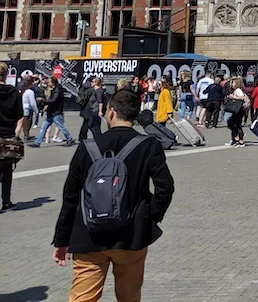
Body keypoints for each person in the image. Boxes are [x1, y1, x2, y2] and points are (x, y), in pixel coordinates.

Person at [51, 89, 175, 300]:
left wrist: (62, 239)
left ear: (111, 112)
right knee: (129, 297)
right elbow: (165, 187)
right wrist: (148, 216)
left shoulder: (88, 146)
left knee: (82, 298)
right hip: (131, 236)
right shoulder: (148, 145)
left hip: (89, 235)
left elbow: (70, 196)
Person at [0, 62, 24, 212]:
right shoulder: (14, 92)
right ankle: (6, 202)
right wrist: (15, 134)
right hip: (8, 135)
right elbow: (21, 117)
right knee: (7, 171)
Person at [29, 71, 74, 148]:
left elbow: (53, 100)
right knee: (44, 127)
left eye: (49, 82)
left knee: (61, 127)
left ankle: (69, 138)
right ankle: (37, 143)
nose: (47, 83)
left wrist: (42, 99)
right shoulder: (54, 89)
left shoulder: (57, 90)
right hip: (51, 112)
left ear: (53, 83)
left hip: (56, 112)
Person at [78, 76, 106, 142]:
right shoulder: (94, 90)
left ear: (96, 83)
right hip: (91, 110)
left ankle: (98, 139)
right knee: (92, 125)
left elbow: (100, 102)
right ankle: (98, 139)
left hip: (94, 111)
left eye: (93, 82)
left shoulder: (97, 91)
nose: (91, 83)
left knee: (92, 125)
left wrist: (100, 111)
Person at [226, 76, 248, 147]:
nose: (231, 84)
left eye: (233, 83)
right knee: (234, 124)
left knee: (235, 124)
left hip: (239, 110)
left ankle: (239, 139)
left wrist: (233, 97)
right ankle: (237, 139)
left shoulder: (238, 90)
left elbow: (242, 97)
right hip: (237, 110)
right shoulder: (235, 90)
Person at [18, 74, 37, 142]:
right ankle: (19, 136)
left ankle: (26, 135)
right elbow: (33, 103)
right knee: (25, 123)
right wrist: (36, 111)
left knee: (23, 124)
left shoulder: (20, 86)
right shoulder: (30, 91)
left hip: (20, 107)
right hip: (26, 108)